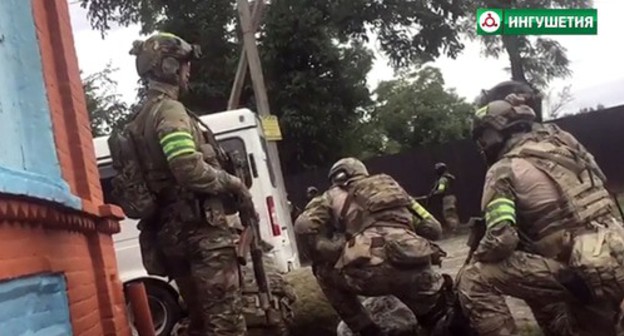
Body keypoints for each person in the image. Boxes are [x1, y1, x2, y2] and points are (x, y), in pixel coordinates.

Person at [456, 80, 624, 336]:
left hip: (585, 271)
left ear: (496, 131)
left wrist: (479, 254)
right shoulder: (567, 146)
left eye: (483, 135)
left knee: (474, 277)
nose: (482, 143)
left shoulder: (502, 169)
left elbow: (502, 239)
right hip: (616, 251)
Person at [123, 33, 255, 336]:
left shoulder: (139, 119)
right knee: (226, 325)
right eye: (184, 64)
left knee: (201, 321)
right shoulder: (168, 110)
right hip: (200, 235)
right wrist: (235, 184)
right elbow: (186, 167)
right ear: (168, 66)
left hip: (170, 236)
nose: (188, 71)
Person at [294, 157, 449, 336]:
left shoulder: (331, 196)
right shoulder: (392, 188)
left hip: (371, 274)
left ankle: (366, 329)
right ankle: (432, 322)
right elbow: (434, 229)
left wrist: (325, 248)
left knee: (321, 270)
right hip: (415, 265)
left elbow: (303, 226)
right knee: (436, 316)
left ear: (336, 178)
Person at [430, 162, 459, 233]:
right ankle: (455, 228)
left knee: (449, 214)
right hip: (452, 197)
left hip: (447, 198)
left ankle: (453, 229)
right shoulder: (449, 177)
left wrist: (433, 193)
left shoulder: (443, 179)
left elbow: (441, 189)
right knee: (452, 213)